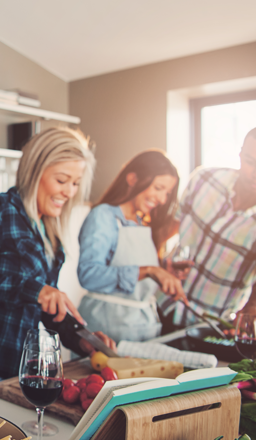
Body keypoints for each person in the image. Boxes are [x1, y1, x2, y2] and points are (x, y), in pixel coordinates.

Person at [0, 127, 116, 400]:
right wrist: (32, 289)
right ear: (36, 171)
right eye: (62, 180)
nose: (70, 191)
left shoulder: (49, 229)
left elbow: (48, 309)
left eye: (75, 182)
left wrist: (81, 340)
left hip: (19, 374)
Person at [76, 149, 188, 343]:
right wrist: (150, 271)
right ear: (132, 179)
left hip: (142, 328)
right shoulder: (103, 216)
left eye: (167, 193)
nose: (162, 199)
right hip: (108, 329)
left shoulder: (140, 221)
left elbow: (137, 274)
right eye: (158, 188)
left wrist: (162, 273)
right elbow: (88, 275)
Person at [158, 128, 256, 330]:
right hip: (161, 304)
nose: (254, 172)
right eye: (250, 161)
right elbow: (166, 231)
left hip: (212, 326)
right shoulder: (204, 180)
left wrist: (249, 313)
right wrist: (156, 266)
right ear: (239, 155)